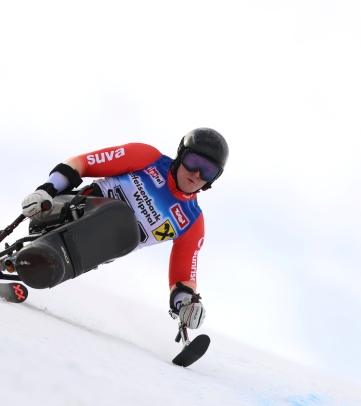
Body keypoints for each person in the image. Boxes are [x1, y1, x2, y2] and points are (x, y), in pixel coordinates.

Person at [16, 127, 228, 330]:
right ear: (181, 155)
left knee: (127, 231)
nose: (197, 174)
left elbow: (182, 279)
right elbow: (81, 163)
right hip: (63, 211)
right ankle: (42, 253)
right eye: (193, 162)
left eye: (208, 171)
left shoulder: (191, 221)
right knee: (121, 215)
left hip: (85, 251)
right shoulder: (148, 158)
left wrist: (187, 304)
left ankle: (36, 265)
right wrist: (46, 189)